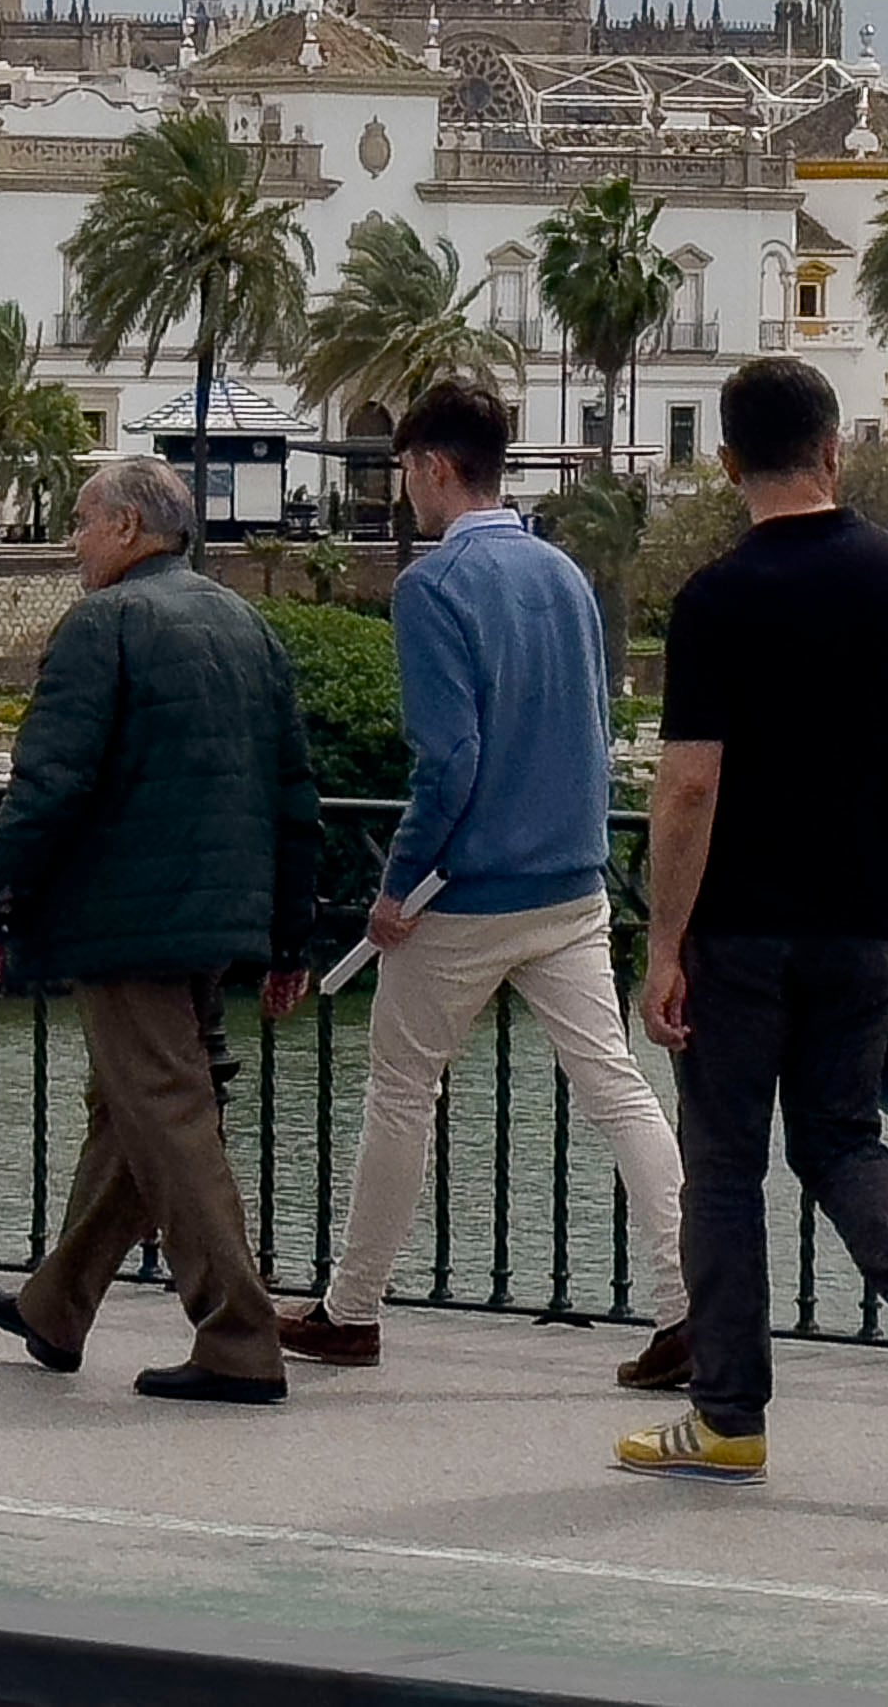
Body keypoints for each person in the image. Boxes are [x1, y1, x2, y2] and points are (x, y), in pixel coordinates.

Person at [614, 356, 888, 1488]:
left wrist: (664, 943)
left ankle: (729, 1415)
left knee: (725, 1165)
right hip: (866, 925)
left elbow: (689, 785)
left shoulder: (715, 598)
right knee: (841, 1137)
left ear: (731, 462)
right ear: (834, 449)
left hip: (740, 931)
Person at [277, 381, 690, 1387]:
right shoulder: (564, 574)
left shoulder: (432, 586)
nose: (404, 489)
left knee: (401, 1089)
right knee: (619, 1088)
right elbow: (592, 730)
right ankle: (693, 1303)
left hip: (463, 894)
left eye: (405, 469)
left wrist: (397, 885)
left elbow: (448, 759)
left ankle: (353, 1307)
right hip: (571, 882)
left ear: (432, 465)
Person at [0, 457, 322, 1404]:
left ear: (126, 528)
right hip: (218, 917)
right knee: (135, 1112)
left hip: (125, 919)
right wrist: (290, 935)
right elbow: (294, 795)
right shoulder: (244, 624)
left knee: (166, 1115)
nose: (73, 542)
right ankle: (57, 1304)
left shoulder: (103, 627)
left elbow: (48, 786)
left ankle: (241, 1338)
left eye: (81, 523)